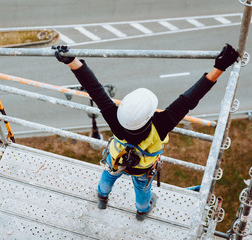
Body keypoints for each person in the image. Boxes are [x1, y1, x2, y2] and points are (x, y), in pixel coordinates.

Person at [54, 44, 239, 221]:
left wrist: (72, 61)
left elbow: (94, 89)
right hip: (142, 167)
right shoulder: (160, 125)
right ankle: (142, 211)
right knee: (142, 188)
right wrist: (219, 67)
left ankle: (102, 197)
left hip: (116, 157)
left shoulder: (115, 117)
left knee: (109, 174)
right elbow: (189, 99)